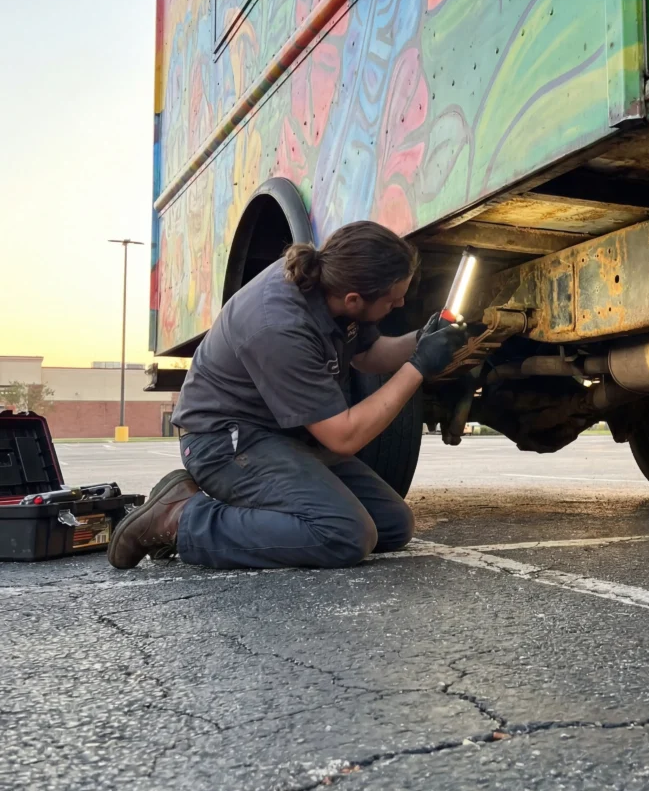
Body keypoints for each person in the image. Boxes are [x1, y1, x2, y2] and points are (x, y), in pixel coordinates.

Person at [108, 221, 466, 571]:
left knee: (391, 524)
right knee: (345, 535)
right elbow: (345, 436)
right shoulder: (279, 326)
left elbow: (368, 355)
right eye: (392, 300)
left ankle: (272, 510)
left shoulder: (332, 285)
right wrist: (418, 366)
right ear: (354, 299)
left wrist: (422, 340)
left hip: (283, 436)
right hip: (224, 443)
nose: (401, 303)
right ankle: (179, 517)